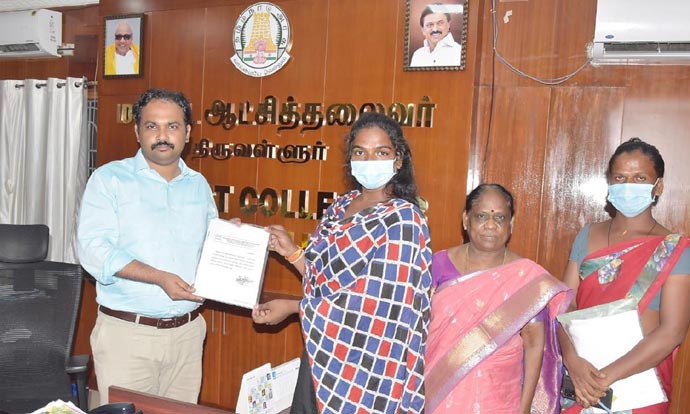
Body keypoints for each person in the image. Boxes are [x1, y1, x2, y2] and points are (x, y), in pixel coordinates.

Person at [251, 112, 432, 414]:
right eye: (360, 152)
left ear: (398, 159)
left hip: (371, 364)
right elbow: (323, 280)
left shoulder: (404, 220)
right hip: (324, 350)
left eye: (381, 152)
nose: (369, 160)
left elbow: (376, 303)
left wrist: (295, 308)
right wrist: (290, 251)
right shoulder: (340, 207)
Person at [77, 89, 218, 405]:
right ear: (137, 132)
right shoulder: (109, 179)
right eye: (152, 126)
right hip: (128, 335)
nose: (163, 135)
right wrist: (158, 277)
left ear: (187, 133)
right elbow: (93, 249)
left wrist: (233, 237)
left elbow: (211, 246)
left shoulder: (198, 185)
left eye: (173, 126)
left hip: (188, 335)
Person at [559, 138, 690, 413]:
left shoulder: (675, 250)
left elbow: (672, 332)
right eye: (620, 177)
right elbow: (565, 305)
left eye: (640, 178)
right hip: (582, 380)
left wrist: (603, 378)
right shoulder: (587, 235)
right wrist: (572, 361)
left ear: (658, 186)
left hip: (637, 387)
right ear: (610, 183)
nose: (628, 185)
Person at [424, 184, 572, 414]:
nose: (491, 225)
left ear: (511, 224)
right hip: (441, 390)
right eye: (481, 216)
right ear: (466, 220)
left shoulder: (526, 277)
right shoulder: (437, 265)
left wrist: (524, 408)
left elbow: (534, 343)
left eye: (500, 218)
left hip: (499, 397)